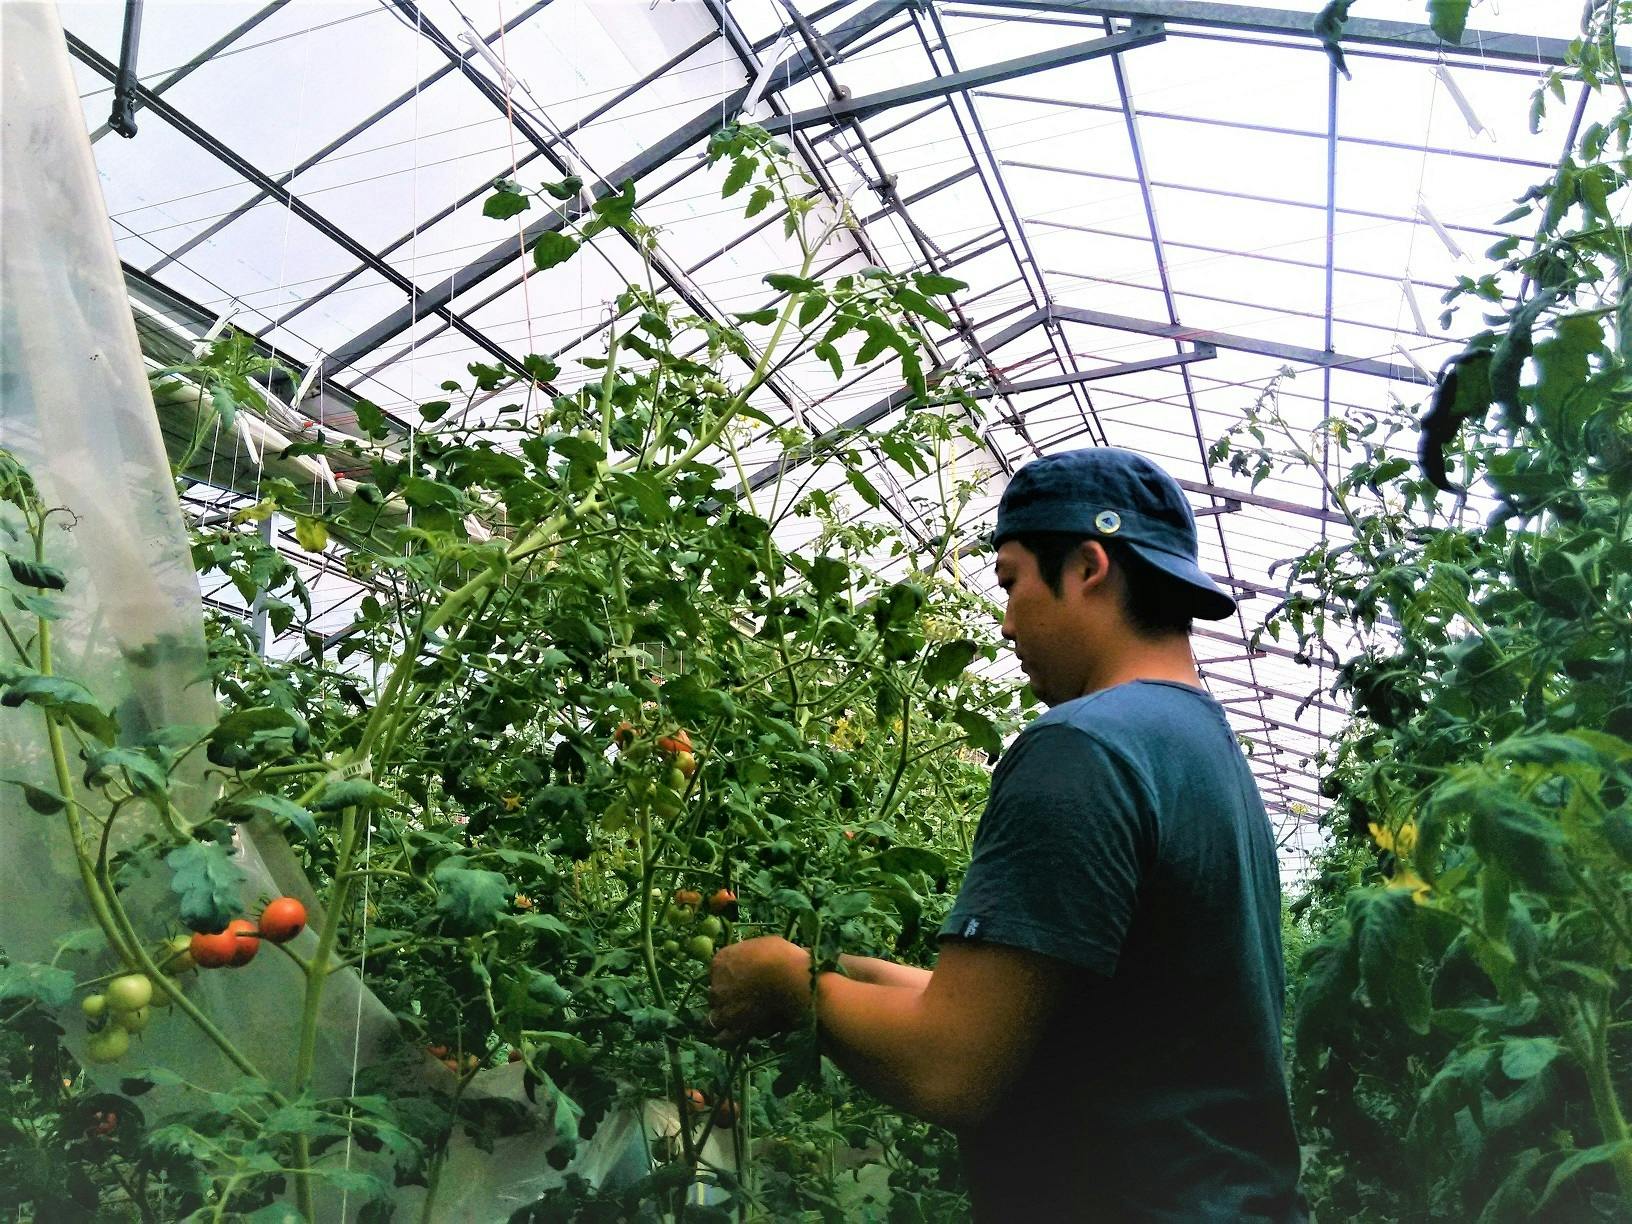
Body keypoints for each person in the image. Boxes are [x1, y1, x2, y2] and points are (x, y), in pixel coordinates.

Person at [708, 448, 1304, 1221]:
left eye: (1012, 581)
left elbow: (951, 1066)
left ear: (1087, 567)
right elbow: (1030, 1013)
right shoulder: (1200, 746)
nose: (1006, 622)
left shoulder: (1085, 747)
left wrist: (791, 986)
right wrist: (837, 968)